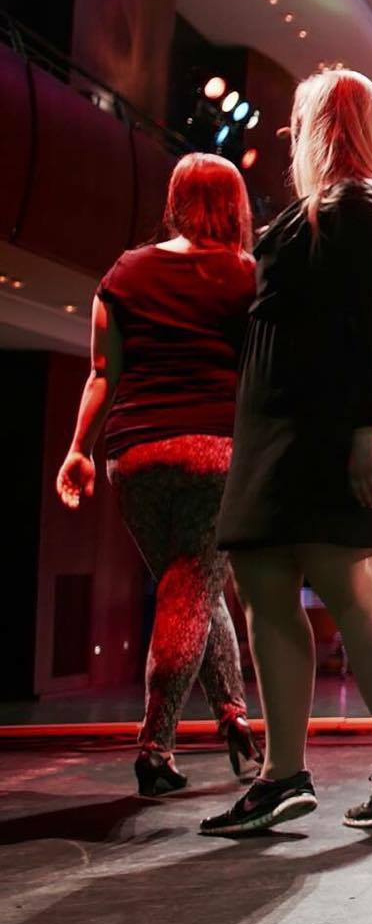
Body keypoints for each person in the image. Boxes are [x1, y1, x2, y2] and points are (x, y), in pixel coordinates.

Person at [201, 68, 372, 836]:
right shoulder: (327, 208)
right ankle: (282, 775)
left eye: (300, 118)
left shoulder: (356, 204)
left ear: (323, 125)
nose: (288, 132)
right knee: (265, 581)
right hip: (284, 417)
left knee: (347, 581)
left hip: (326, 415)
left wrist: (365, 428)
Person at [54, 154, 263, 796]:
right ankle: (154, 746)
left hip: (134, 455)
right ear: (235, 205)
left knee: (190, 584)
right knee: (190, 587)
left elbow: (101, 372)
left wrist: (78, 449)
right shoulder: (246, 275)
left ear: (174, 201)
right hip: (214, 452)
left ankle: (232, 715)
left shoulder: (125, 271)